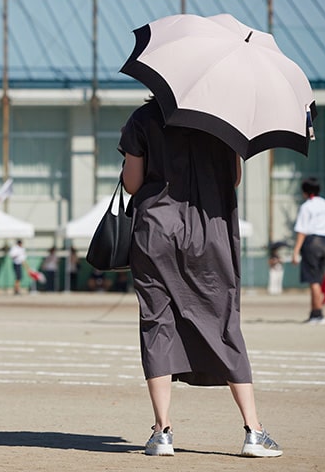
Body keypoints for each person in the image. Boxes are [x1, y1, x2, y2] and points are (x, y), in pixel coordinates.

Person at [120, 98, 282, 458]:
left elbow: (132, 184)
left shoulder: (142, 118)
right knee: (224, 322)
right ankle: (253, 431)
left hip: (155, 233)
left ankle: (162, 432)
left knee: (157, 324)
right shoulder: (225, 119)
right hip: (211, 233)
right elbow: (234, 179)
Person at [292, 177, 325, 325]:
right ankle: (314, 312)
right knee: (318, 279)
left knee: (314, 281)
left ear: (305, 191)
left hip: (312, 243)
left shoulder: (307, 206)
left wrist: (296, 252)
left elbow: (302, 230)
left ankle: (318, 314)